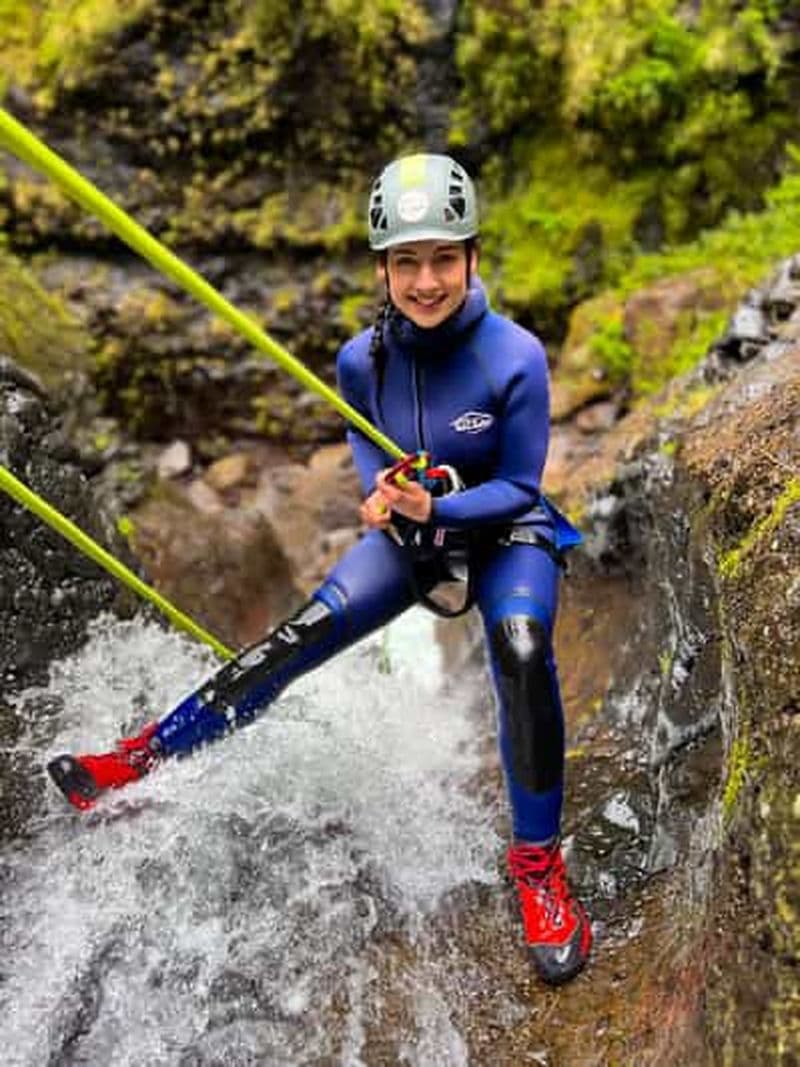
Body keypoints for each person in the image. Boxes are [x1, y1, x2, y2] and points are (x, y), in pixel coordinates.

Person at [48, 153, 592, 986]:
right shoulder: (358, 361)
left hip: (503, 533)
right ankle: (140, 758)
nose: (426, 280)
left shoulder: (514, 356)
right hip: (413, 534)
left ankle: (538, 869)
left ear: (473, 257)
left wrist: (436, 506)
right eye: (406, 262)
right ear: (381, 268)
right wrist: (386, 498)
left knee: (520, 647)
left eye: (444, 257)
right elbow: (372, 459)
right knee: (298, 635)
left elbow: (520, 486)